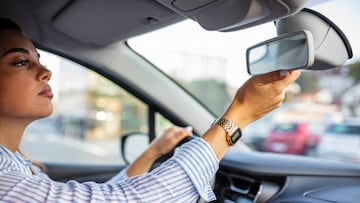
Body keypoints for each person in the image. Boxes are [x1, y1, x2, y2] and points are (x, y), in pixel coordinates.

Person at [0, 17, 301, 202]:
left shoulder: (14, 165)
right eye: (20, 62)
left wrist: (152, 153)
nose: (46, 72)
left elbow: (102, 199)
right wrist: (239, 116)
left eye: (39, 59)